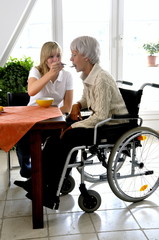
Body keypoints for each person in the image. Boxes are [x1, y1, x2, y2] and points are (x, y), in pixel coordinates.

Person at [15, 36, 130, 209]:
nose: (69, 59)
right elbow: (86, 99)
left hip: (111, 126)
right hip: (101, 121)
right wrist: (78, 104)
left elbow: (100, 116)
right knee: (56, 140)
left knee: (65, 137)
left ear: (86, 57)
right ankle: (41, 185)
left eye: (73, 54)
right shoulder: (90, 75)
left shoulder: (101, 79)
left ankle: (48, 191)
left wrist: (71, 127)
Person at [15, 41, 73, 179]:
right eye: (51, 57)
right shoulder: (36, 71)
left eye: (58, 56)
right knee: (23, 138)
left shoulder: (67, 76)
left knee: (58, 140)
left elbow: (68, 106)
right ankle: (26, 166)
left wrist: (53, 113)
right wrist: (50, 74)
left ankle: (51, 173)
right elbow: (31, 91)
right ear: (44, 58)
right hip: (32, 115)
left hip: (52, 117)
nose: (55, 60)